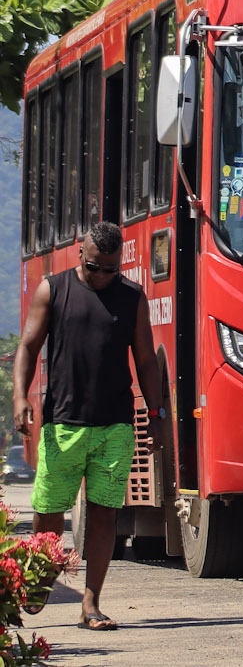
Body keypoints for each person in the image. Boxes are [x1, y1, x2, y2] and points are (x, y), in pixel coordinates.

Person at [13, 221, 167, 632]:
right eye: (95, 267)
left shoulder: (132, 297)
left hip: (114, 427)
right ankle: (40, 579)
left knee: (104, 516)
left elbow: (147, 361)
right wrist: (19, 399)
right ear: (81, 255)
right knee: (48, 513)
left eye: (110, 270)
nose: (101, 277)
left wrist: (157, 415)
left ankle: (91, 604)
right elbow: (27, 346)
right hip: (63, 424)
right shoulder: (54, 289)